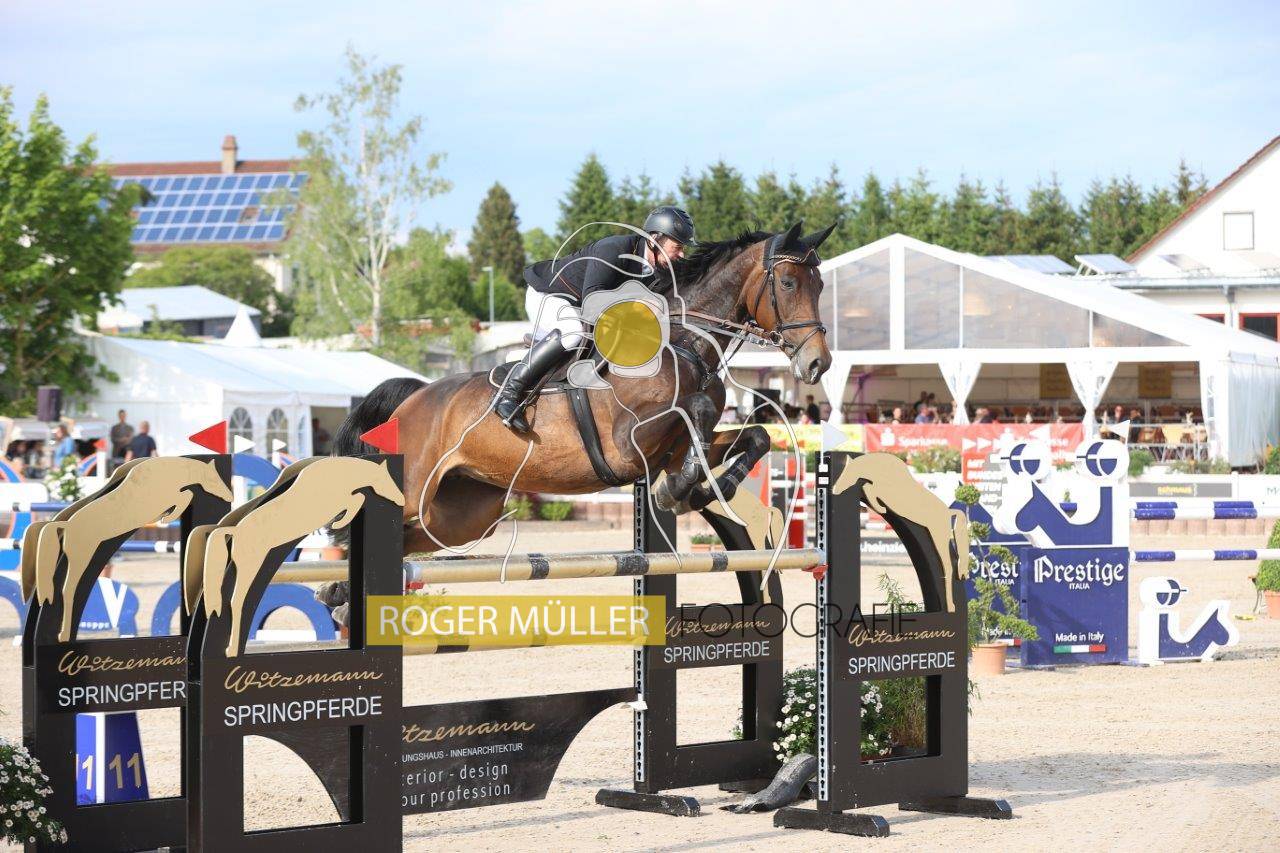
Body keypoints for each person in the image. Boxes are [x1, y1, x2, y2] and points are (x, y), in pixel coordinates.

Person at [494, 207, 697, 433]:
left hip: (577, 306)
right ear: (653, 240)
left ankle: (524, 359)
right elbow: (593, 301)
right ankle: (508, 393)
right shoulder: (614, 249)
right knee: (572, 332)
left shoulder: (660, 271)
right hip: (548, 295)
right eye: (678, 247)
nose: (682, 255)